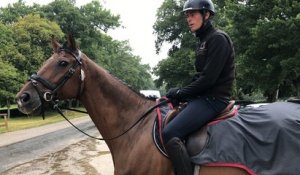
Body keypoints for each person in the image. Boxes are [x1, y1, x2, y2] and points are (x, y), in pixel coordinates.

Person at [162, 0, 235, 174]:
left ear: (206, 15)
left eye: (193, 14)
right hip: (203, 97)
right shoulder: (203, 41)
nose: (189, 19)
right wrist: (178, 93)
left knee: (169, 132)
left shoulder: (218, 39)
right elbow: (199, 77)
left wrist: (180, 93)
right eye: (187, 15)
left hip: (213, 99)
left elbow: (208, 80)